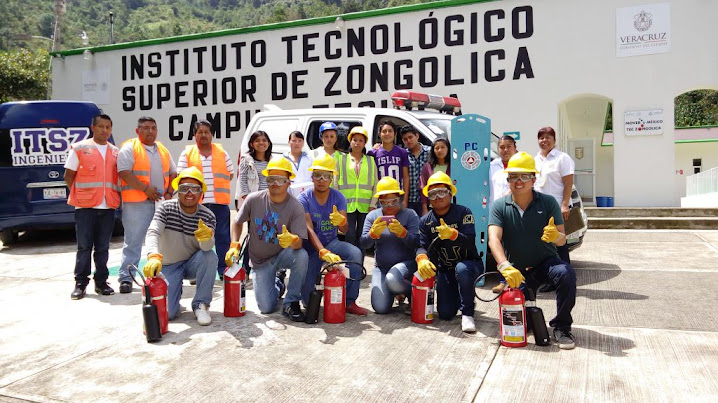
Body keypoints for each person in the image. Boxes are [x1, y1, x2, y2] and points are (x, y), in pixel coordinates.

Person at [488, 151, 577, 349]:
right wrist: (504, 266)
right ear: (508, 178)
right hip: (516, 270)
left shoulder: (548, 203)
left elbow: (562, 242)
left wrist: (556, 236)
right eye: (513, 176)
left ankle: (562, 326)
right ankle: (527, 315)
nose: (519, 181)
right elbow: (494, 238)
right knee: (519, 321)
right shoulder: (499, 206)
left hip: (545, 263)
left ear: (534, 179)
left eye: (525, 176)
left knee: (566, 274)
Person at [227, 157, 309, 322]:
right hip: (260, 261)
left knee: (301, 256)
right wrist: (234, 244)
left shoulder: (296, 207)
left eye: (281, 180)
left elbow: (299, 242)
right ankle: (279, 283)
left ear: (288, 182)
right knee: (266, 308)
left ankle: (291, 301)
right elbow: (237, 222)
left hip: (282, 254)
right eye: (271, 179)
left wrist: (292, 239)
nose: (275, 183)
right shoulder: (253, 199)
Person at [142, 167, 217, 325]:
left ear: (201, 192)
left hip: (192, 263)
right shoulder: (166, 208)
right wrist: (153, 256)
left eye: (195, 189)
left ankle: (201, 304)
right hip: (168, 265)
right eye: (184, 188)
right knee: (168, 314)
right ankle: (174, 299)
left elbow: (207, 249)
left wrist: (206, 238)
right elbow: (153, 232)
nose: (189, 193)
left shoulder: (208, 216)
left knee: (210, 256)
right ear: (177, 190)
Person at [298, 154, 368, 316]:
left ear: (332, 179)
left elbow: (344, 229)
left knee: (355, 253)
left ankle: (349, 301)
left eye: (326, 176)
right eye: (317, 175)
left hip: (332, 242)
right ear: (312, 176)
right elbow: (308, 229)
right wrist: (322, 251)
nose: (321, 180)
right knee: (307, 302)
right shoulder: (303, 199)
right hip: (311, 248)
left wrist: (340, 221)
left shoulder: (338, 197)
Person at [415, 171, 483, 333]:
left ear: (451, 193)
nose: (438, 197)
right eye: (433, 193)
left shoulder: (463, 212)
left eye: (442, 192)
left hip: (469, 264)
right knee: (445, 314)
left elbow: (469, 240)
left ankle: (468, 312)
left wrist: (453, 234)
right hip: (445, 269)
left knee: (462, 269)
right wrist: (422, 259)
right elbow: (421, 245)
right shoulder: (425, 221)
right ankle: (459, 296)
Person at [117, 117, 176, 293]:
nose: (150, 131)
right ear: (137, 131)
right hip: (137, 203)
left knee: (162, 240)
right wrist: (145, 189)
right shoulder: (130, 148)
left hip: (161, 203)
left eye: (153, 128)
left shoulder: (163, 150)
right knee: (133, 241)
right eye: (145, 128)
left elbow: (173, 173)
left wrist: (169, 193)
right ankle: (126, 278)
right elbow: (124, 172)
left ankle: (164, 275)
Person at [65, 114, 120, 300]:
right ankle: (80, 284)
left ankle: (101, 282)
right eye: (101, 127)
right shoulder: (80, 148)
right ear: (93, 128)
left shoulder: (115, 152)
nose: (104, 130)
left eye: (108, 127)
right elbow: (69, 175)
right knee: (84, 247)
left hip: (107, 206)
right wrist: (80, 195)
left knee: (103, 248)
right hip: (85, 206)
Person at [176, 119, 234, 279]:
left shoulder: (222, 152)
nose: (203, 135)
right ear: (194, 135)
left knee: (223, 238)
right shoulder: (187, 153)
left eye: (206, 132)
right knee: (195, 239)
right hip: (195, 205)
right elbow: (180, 175)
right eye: (200, 132)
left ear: (212, 135)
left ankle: (223, 270)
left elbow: (230, 173)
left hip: (219, 204)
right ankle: (195, 272)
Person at [360, 177, 419, 314]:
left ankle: (412, 292)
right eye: (384, 202)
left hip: (406, 266)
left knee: (393, 279)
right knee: (380, 308)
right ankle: (395, 292)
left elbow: (417, 242)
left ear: (399, 198)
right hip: (382, 267)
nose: (389, 206)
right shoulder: (373, 216)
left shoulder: (410, 215)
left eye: (393, 201)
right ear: (379, 201)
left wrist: (403, 233)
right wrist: (372, 235)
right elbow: (363, 243)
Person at [534, 126, 575, 267]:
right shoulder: (536, 159)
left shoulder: (562, 158)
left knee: (559, 242)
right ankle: (549, 276)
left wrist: (564, 205)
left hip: (556, 206)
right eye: (541, 137)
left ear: (554, 140)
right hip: (539, 207)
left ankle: (565, 274)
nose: (544, 140)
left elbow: (568, 183)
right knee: (544, 243)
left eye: (548, 137)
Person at [334, 126, 378, 251]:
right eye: (355, 140)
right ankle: (351, 263)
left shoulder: (370, 160)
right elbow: (335, 182)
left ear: (364, 143)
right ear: (350, 141)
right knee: (350, 235)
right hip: (347, 204)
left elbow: (376, 183)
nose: (357, 143)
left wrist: (373, 204)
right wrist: (338, 204)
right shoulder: (341, 159)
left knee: (363, 237)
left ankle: (359, 265)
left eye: (360, 140)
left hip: (365, 205)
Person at [488, 135, 517, 294]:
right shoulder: (492, 166)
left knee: (514, 246)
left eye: (508, 146)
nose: (505, 150)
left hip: (515, 210)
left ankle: (513, 279)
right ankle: (503, 280)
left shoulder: (520, 164)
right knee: (499, 245)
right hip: (496, 212)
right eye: (502, 147)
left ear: (514, 147)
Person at [367, 121, 410, 208]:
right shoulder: (373, 153)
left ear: (395, 133)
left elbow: (406, 177)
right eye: (384, 131)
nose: (387, 134)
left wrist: (405, 199)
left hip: (397, 195)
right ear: (379, 134)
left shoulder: (402, 152)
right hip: (381, 196)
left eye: (390, 131)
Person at [235, 130, 272, 210]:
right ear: (252, 144)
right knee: (254, 222)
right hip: (253, 201)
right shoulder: (246, 160)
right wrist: (248, 198)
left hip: (269, 201)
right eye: (257, 141)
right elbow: (242, 180)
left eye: (264, 140)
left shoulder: (273, 160)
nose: (261, 143)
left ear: (268, 143)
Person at [401, 125, 431, 217]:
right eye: (405, 139)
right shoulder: (404, 155)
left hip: (427, 199)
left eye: (410, 137)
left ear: (417, 136)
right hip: (410, 199)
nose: (408, 141)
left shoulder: (429, 152)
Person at [419, 138, 452, 216]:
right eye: (437, 148)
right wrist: (424, 208)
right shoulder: (427, 167)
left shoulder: (453, 166)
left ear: (448, 148)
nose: (440, 150)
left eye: (443, 147)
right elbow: (423, 187)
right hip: (433, 207)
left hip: (451, 206)